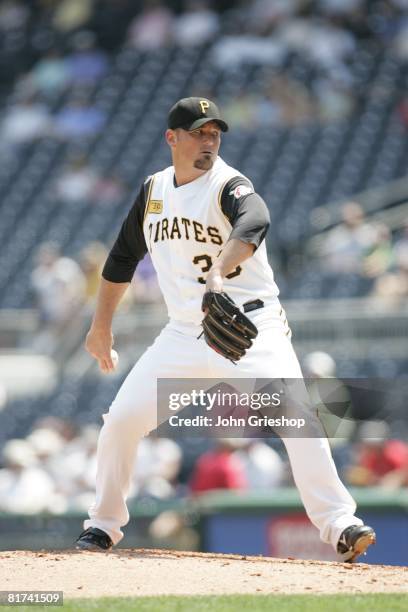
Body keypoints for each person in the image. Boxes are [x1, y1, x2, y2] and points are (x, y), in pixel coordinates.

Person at [75, 97, 375, 561]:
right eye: (198, 132)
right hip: (183, 332)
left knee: (298, 417)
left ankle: (340, 523)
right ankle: (103, 525)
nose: (209, 141)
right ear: (172, 138)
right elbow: (120, 258)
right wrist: (101, 328)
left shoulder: (227, 183)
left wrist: (219, 270)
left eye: (215, 133)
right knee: (121, 422)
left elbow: (256, 219)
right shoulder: (154, 190)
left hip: (250, 324)